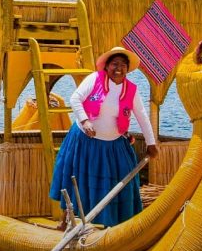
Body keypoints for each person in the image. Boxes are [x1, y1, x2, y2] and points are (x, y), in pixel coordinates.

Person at [49, 46, 159, 229]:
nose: (119, 68)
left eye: (123, 65)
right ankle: (66, 221)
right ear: (106, 67)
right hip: (85, 142)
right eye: (114, 64)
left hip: (113, 146)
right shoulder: (94, 79)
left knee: (116, 185)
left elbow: (141, 115)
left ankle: (113, 226)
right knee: (78, 180)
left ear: (127, 69)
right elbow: (75, 99)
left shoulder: (131, 90)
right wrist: (85, 121)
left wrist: (151, 143)